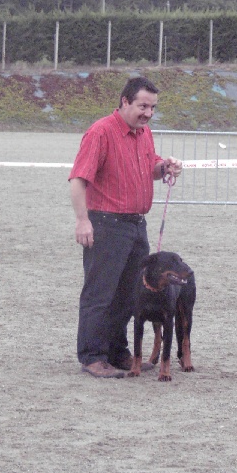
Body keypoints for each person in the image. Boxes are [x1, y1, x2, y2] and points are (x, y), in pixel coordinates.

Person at [68, 76, 183, 378]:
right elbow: (79, 179)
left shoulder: (144, 133)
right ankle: (92, 356)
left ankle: (118, 353)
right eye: (143, 106)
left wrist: (164, 167)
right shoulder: (100, 132)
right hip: (106, 224)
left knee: (129, 296)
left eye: (153, 107)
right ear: (124, 101)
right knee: (100, 294)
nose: (148, 113)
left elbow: (150, 168)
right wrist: (82, 220)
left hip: (136, 226)